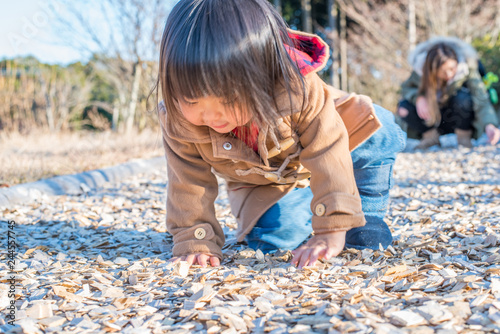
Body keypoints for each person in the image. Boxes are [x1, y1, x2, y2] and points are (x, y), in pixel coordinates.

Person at [157, 0, 406, 269]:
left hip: (334, 143)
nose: (212, 115)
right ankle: (303, 201)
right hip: (264, 178)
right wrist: (195, 240)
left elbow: (328, 151)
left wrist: (331, 226)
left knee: (377, 126)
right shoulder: (177, 119)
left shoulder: (297, 87)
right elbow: (187, 182)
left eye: (228, 99)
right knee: (274, 243)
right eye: (192, 101)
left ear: (263, 74)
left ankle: (365, 213)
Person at [398, 37, 500, 149]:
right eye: (442, 71)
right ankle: (430, 137)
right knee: (403, 108)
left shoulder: (466, 69)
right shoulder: (419, 71)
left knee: (463, 98)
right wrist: (418, 98)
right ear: (432, 69)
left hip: (458, 117)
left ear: (457, 62)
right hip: (432, 117)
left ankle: (464, 138)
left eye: (452, 68)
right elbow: (406, 89)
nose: (449, 74)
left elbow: (481, 98)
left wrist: (489, 124)